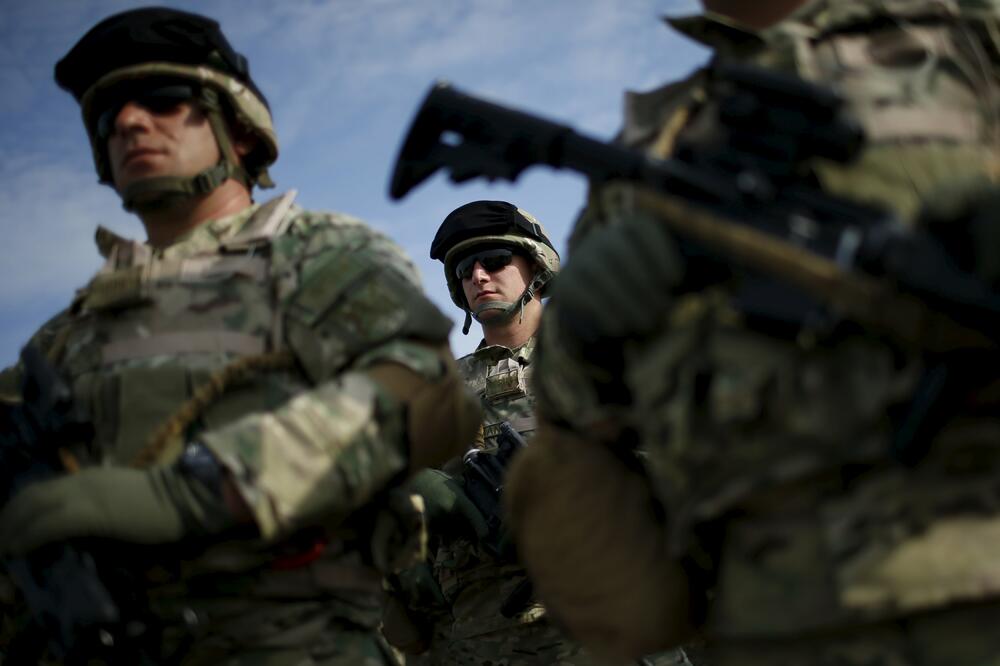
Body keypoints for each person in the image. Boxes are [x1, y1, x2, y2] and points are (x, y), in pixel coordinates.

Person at [505, 1, 1000, 664]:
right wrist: (578, 331)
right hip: (763, 631)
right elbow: (590, 443)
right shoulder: (656, 142)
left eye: (495, 260)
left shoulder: (969, 27)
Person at [0, 7, 480, 665]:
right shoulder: (67, 335)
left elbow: (424, 394)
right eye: (109, 114)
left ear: (241, 133)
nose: (131, 122)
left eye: (164, 100)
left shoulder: (317, 253)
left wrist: (195, 491)